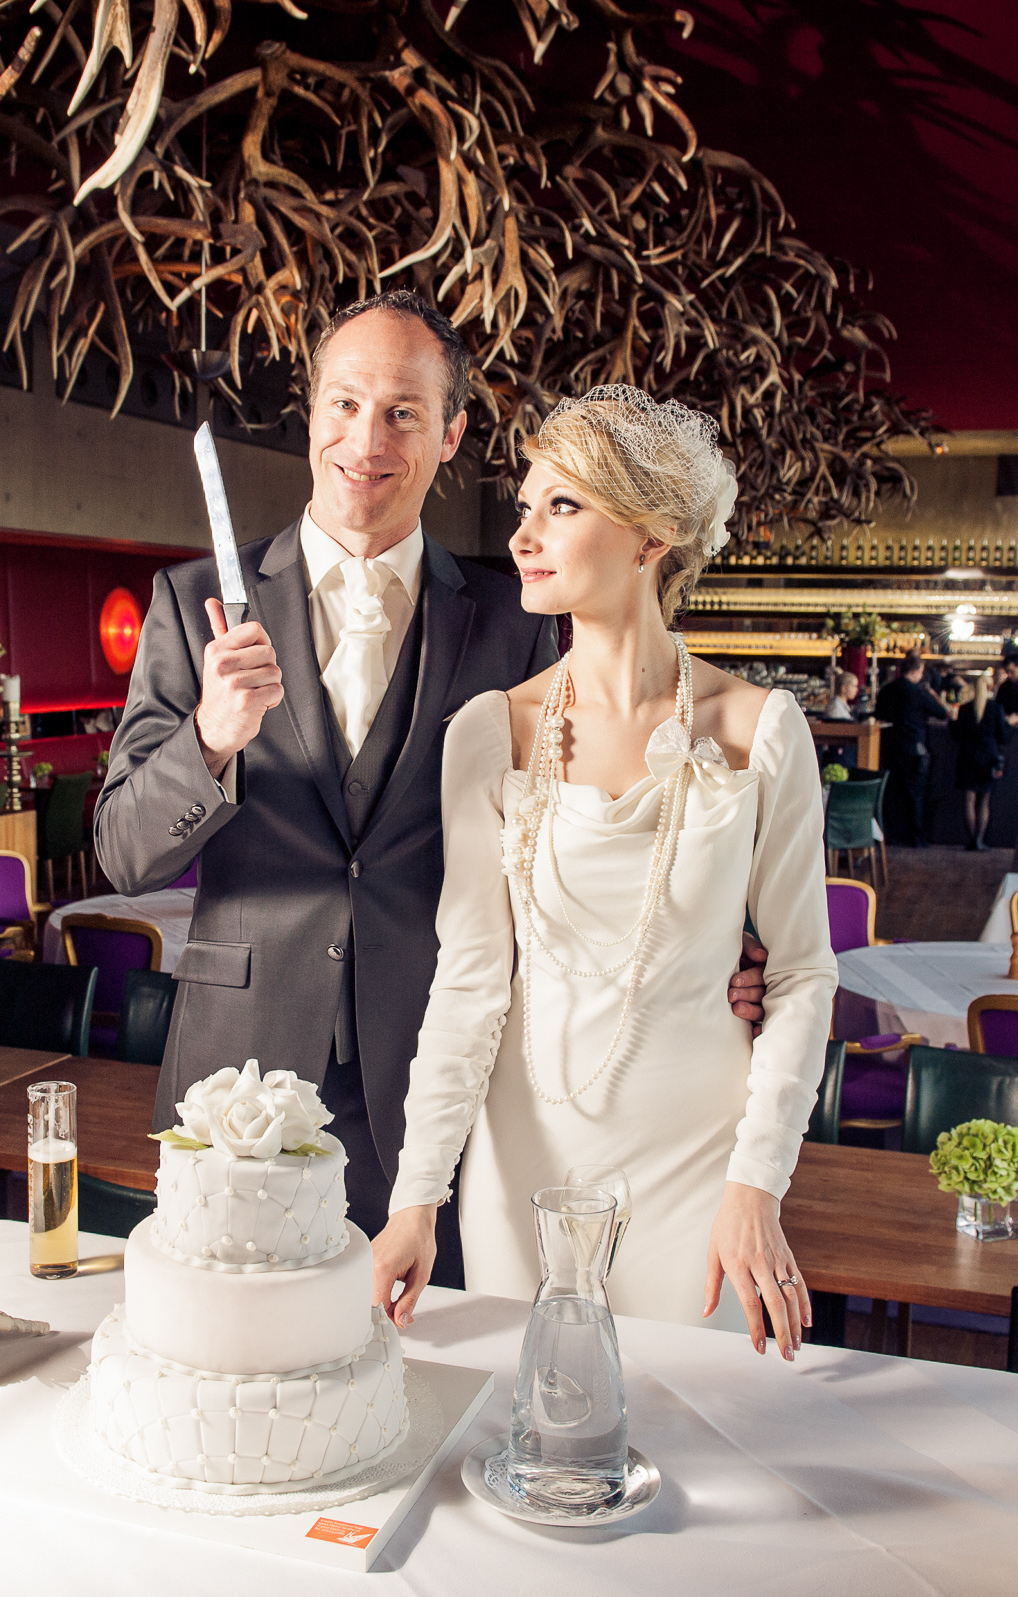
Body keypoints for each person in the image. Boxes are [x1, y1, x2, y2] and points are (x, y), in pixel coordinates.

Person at [94, 292, 769, 1275]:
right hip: (237, 1071)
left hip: (443, 1081)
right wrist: (209, 736)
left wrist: (711, 950)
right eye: (344, 404)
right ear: (312, 414)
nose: (366, 439)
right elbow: (122, 850)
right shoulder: (190, 600)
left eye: (404, 412)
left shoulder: (519, 622)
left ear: (450, 432)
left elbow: (596, 846)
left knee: (433, 1374)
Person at [371, 385, 835, 1357]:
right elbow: (468, 985)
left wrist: (760, 1181)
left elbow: (799, 975)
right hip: (520, 1157)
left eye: (563, 506)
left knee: (692, 1432)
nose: (525, 535)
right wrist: (420, 1193)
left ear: (653, 535)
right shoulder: (487, 734)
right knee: (527, 1422)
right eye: (526, 507)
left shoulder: (760, 732)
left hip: (700, 1159)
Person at [873, 653, 949, 848]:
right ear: (916, 671)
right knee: (915, 794)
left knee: (892, 793)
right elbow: (942, 713)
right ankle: (916, 837)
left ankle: (890, 835)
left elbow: (878, 714)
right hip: (914, 748)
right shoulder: (919, 693)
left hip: (890, 747)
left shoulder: (887, 690)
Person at [954, 671, 1009, 851]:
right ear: (990, 688)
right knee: (984, 801)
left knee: (968, 800)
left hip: (968, 757)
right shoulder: (995, 709)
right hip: (988, 758)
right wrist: (1010, 723)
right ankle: (980, 839)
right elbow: (1003, 736)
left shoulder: (965, 708)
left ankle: (971, 840)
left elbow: (958, 734)